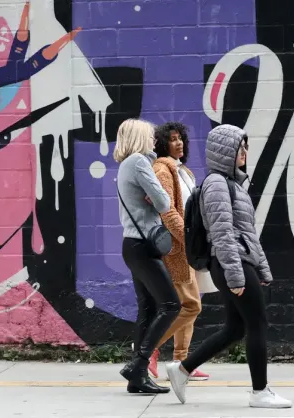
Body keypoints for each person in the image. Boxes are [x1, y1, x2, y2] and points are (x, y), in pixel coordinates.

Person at [165, 124, 292, 408]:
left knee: (236, 328)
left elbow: (248, 234)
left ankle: (182, 370)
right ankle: (260, 392)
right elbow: (222, 234)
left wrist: (262, 269)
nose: (244, 152)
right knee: (257, 323)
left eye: (245, 146)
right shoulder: (217, 184)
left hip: (236, 262)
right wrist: (236, 276)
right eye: (239, 147)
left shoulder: (232, 184)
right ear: (224, 151)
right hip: (230, 263)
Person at [114, 118, 180, 394]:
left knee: (149, 308)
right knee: (171, 305)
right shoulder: (139, 162)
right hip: (143, 246)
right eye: (150, 135)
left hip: (133, 245)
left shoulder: (126, 165)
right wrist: (158, 197)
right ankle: (138, 365)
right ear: (139, 137)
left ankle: (137, 378)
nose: (154, 140)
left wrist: (155, 197)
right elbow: (164, 202)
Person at [148, 122, 210, 381]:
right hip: (177, 249)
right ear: (163, 144)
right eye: (173, 139)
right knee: (191, 305)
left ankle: (182, 363)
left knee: (189, 305)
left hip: (189, 248)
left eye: (181, 138)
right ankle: (148, 349)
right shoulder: (162, 170)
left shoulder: (184, 171)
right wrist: (187, 239)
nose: (179, 143)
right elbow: (168, 212)